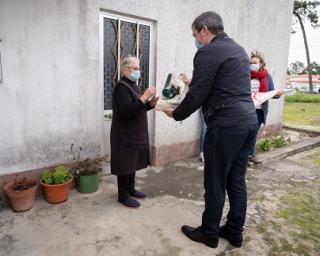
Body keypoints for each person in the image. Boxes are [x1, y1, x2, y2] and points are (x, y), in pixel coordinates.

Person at [163, 11, 257, 248]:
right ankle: (234, 231)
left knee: (215, 182)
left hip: (225, 126)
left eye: (195, 34)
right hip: (248, 123)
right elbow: (220, 86)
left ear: (205, 30)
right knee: (236, 180)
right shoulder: (238, 49)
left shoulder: (207, 51)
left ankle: (209, 232)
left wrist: (175, 113)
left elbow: (197, 94)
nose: (196, 40)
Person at [110, 56, 159, 208]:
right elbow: (127, 111)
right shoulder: (121, 87)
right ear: (125, 69)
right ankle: (123, 196)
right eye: (136, 68)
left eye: (138, 68)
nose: (139, 71)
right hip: (124, 135)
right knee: (125, 164)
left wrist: (150, 104)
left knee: (132, 163)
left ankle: (131, 189)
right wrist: (144, 96)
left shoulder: (132, 85)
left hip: (134, 134)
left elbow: (138, 107)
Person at [248, 51, 282, 165]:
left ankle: (250, 155)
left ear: (261, 63)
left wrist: (277, 94)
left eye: (255, 62)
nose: (252, 64)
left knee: (253, 133)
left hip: (259, 111)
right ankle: (241, 155)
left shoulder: (267, 77)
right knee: (244, 133)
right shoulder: (245, 75)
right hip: (246, 110)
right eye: (251, 63)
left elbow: (272, 92)